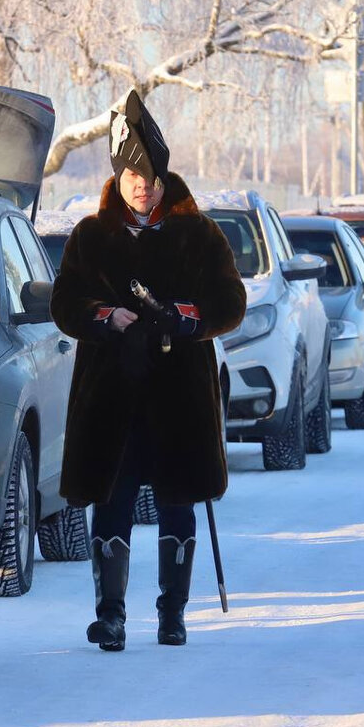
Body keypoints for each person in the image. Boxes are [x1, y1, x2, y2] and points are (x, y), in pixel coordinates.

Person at [50, 89, 247, 651]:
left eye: (150, 174)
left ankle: (172, 613)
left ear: (163, 174)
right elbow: (65, 305)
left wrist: (188, 317)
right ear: (119, 177)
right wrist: (105, 314)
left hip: (178, 397)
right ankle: (110, 615)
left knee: (176, 501)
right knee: (111, 501)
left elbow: (230, 304)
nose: (142, 184)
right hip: (112, 397)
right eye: (132, 174)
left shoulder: (199, 235)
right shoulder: (91, 237)